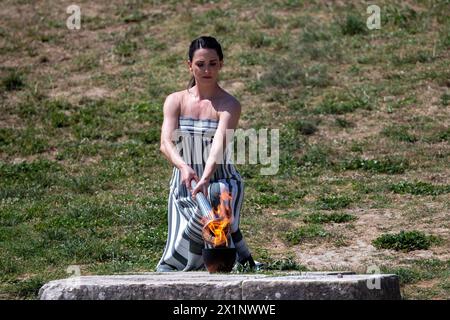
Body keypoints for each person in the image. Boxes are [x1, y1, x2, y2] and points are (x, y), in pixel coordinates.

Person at [156, 36, 257, 271]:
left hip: (220, 180)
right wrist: (183, 167)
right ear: (189, 65)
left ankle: (226, 260)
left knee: (217, 199)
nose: (207, 69)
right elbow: (165, 143)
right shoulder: (175, 101)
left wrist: (206, 176)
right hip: (185, 183)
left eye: (213, 63)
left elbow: (219, 146)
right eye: (200, 64)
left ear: (221, 64)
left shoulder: (229, 104)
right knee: (178, 263)